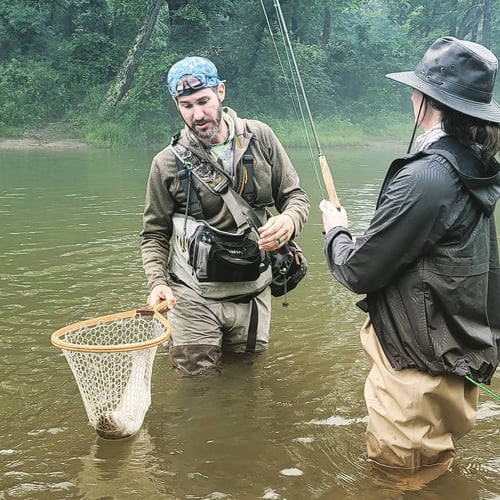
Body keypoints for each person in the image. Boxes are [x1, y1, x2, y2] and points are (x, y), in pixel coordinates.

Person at [320, 36, 500, 482]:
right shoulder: (474, 166)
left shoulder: (427, 176)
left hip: (414, 374)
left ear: (426, 100)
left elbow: (356, 270)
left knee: (396, 482)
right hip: (451, 363)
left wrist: (335, 230)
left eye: (416, 90)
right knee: (434, 475)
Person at [141, 56, 310, 376]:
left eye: (203, 101)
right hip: (192, 297)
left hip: (252, 293)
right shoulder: (165, 163)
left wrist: (289, 221)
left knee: (245, 378)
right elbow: (153, 234)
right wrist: (157, 282)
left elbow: (295, 197)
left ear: (220, 92)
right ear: (177, 105)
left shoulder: (261, 138)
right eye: (186, 105)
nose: (198, 114)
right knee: (197, 387)